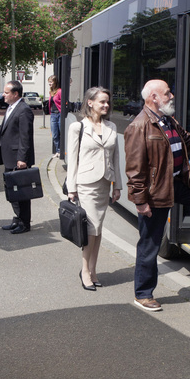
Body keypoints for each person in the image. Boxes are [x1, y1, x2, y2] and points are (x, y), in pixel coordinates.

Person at [124, 79, 190, 312]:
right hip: (154, 192)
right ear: (153, 98)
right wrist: (140, 201)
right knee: (149, 244)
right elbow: (135, 170)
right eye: (167, 93)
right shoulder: (139, 127)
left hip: (176, 184)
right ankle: (143, 294)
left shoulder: (169, 121)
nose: (172, 96)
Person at [65, 87, 122, 291]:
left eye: (107, 102)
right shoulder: (78, 128)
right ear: (90, 103)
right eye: (102, 102)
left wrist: (117, 186)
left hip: (105, 183)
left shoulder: (112, 126)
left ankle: (93, 269)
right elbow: (72, 160)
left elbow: (115, 158)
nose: (106, 105)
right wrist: (71, 188)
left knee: (97, 230)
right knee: (90, 229)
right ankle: (85, 271)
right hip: (86, 183)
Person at [0, 80, 36, 234]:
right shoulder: (12, 108)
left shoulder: (23, 110)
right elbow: (8, 130)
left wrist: (22, 159)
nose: (3, 95)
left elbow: (25, 137)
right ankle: (18, 218)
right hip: (9, 157)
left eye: (6, 93)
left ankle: (24, 223)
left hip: (17, 159)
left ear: (15, 94)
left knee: (21, 192)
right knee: (12, 191)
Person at [48, 75, 62, 158]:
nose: (49, 83)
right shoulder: (51, 92)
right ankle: (58, 150)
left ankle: (61, 150)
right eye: (49, 81)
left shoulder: (59, 91)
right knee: (55, 134)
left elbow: (62, 102)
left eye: (51, 81)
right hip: (53, 114)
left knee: (61, 132)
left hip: (59, 113)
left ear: (55, 82)